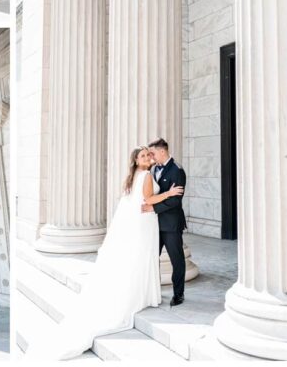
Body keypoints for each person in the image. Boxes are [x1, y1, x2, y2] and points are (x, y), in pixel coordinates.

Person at [44, 145, 185, 360]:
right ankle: (142, 294)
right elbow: (147, 199)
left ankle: (159, 292)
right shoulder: (146, 174)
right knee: (143, 258)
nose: (148, 157)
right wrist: (168, 192)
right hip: (145, 220)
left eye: (149, 154)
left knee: (144, 258)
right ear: (137, 161)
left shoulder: (134, 176)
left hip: (145, 221)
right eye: (144, 155)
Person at [146, 137, 188, 306]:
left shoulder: (177, 171)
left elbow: (175, 201)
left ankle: (179, 294)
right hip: (153, 225)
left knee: (176, 260)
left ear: (162, 151)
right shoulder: (153, 168)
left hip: (171, 225)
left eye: (153, 153)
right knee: (150, 258)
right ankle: (153, 291)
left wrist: (153, 208)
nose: (151, 156)